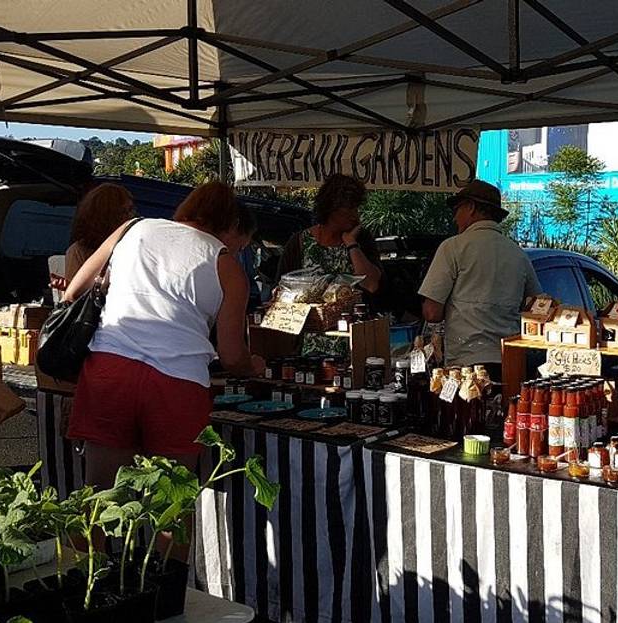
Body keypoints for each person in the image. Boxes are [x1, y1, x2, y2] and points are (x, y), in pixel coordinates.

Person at [64, 181, 264, 488]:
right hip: (178, 381)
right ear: (233, 224)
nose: (239, 251)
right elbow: (232, 356)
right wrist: (254, 366)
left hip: (111, 368)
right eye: (241, 245)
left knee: (100, 497)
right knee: (171, 502)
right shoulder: (228, 268)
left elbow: (74, 291)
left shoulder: (132, 228)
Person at [418, 180, 540, 380]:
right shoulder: (518, 254)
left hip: (467, 364)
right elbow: (537, 307)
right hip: (510, 362)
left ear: (471, 208)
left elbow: (432, 313)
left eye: (457, 209)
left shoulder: (453, 247)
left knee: (470, 401)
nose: (455, 217)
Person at [266, 173, 382, 293]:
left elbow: (371, 285)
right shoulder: (299, 242)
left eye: (356, 208)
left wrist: (352, 245)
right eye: (350, 209)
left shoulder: (361, 239)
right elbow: (281, 287)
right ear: (331, 208)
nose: (355, 215)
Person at [62, 183, 136, 286]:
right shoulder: (79, 251)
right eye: (123, 212)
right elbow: (74, 292)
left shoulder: (134, 244)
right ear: (105, 217)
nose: (130, 216)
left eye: (131, 210)